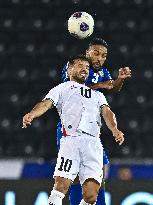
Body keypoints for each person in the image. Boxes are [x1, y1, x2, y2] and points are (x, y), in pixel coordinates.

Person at [22, 54, 124, 205]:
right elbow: (46, 104)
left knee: (91, 196)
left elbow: (107, 113)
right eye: (80, 65)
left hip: (93, 144)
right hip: (71, 141)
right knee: (61, 185)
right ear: (70, 69)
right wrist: (32, 114)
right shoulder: (61, 88)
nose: (85, 69)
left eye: (87, 67)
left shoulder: (98, 95)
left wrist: (115, 130)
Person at [59, 38, 131, 205]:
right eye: (96, 53)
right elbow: (70, 91)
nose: (100, 58)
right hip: (71, 131)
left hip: (91, 133)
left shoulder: (102, 72)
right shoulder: (75, 67)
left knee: (98, 175)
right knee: (77, 176)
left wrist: (120, 79)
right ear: (87, 53)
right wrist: (100, 86)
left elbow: (112, 87)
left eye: (104, 55)